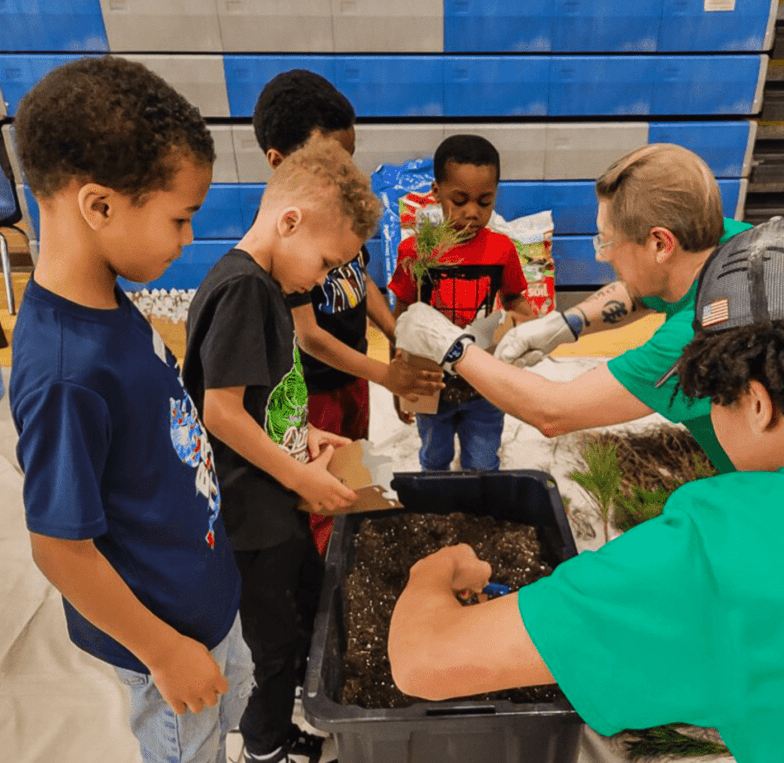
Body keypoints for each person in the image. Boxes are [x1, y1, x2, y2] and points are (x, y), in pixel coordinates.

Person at [388, 215, 784, 762]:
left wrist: (435, 571)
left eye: (709, 397)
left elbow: (424, 661)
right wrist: (576, 318)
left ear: (756, 402)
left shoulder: (722, 546)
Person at [9, 56, 253, 763]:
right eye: (181, 219)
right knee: (190, 745)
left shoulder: (108, 295)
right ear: (100, 205)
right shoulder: (65, 374)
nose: (186, 240)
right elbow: (58, 547)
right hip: (163, 636)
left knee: (225, 710)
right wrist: (166, 652)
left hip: (198, 590)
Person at [182, 136, 381, 763]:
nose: (323, 279)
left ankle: (284, 702)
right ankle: (265, 744)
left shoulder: (266, 286)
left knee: (299, 605)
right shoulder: (244, 290)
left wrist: (304, 432)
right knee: (271, 641)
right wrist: (301, 475)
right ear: (288, 221)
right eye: (324, 263)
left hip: (275, 500)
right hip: (251, 514)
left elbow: (266, 398)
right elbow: (220, 412)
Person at [398, 143, 752, 472]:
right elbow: (645, 290)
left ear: (661, 242)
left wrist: (452, 346)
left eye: (608, 240)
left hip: (778, 492)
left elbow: (554, 413)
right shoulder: (726, 240)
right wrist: (568, 323)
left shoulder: (697, 340)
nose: (602, 254)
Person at [253, 68, 441, 555]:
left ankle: (351, 536)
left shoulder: (333, 214)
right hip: (313, 390)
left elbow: (361, 281)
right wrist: (387, 375)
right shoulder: (286, 239)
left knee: (355, 462)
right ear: (279, 163)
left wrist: (396, 333)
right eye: (331, 162)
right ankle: (328, 565)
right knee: (322, 484)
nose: (348, 176)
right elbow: (309, 336)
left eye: (350, 159)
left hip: (354, 372)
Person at [387, 134, 536, 471]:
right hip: (430, 380)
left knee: (483, 461)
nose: (472, 213)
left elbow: (515, 298)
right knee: (434, 457)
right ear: (436, 192)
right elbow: (401, 318)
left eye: (485, 202)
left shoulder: (501, 250)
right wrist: (397, 380)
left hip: (485, 380)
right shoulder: (416, 253)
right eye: (460, 200)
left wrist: (532, 326)